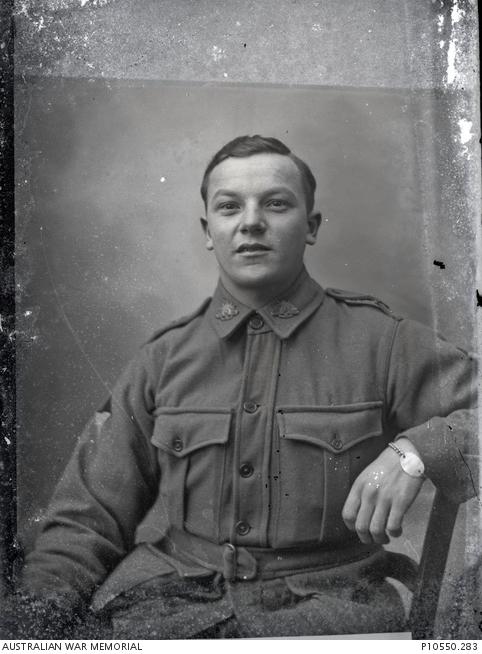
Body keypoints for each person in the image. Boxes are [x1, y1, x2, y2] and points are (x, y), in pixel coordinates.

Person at [9, 135, 478, 639]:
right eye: (230, 206)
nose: (251, 222)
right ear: (209, 230)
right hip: (170, 613)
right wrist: (31, 629)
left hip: (333, 618)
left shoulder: (384, 342)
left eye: (276, 204)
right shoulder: (163, 359)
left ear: (312, 226)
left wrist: (417, 451)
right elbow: (85, 522)